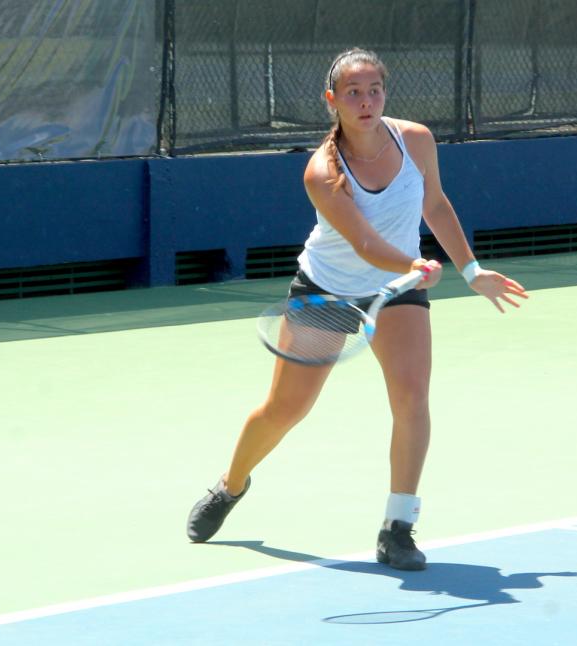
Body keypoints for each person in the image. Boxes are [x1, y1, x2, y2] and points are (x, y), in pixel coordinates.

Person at [186, 48, 528, 570]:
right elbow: (365, 243)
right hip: (328, 291)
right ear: (333, 100)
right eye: (353, 93)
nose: (366, 101)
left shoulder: (416, 140)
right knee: (286, 409)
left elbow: (435, 204)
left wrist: (471, 270)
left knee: (412, 399)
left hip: (398, 292)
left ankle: (398, 527)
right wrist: (413, 262)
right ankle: (230, 485)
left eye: (374, 90)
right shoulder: (321, 171)